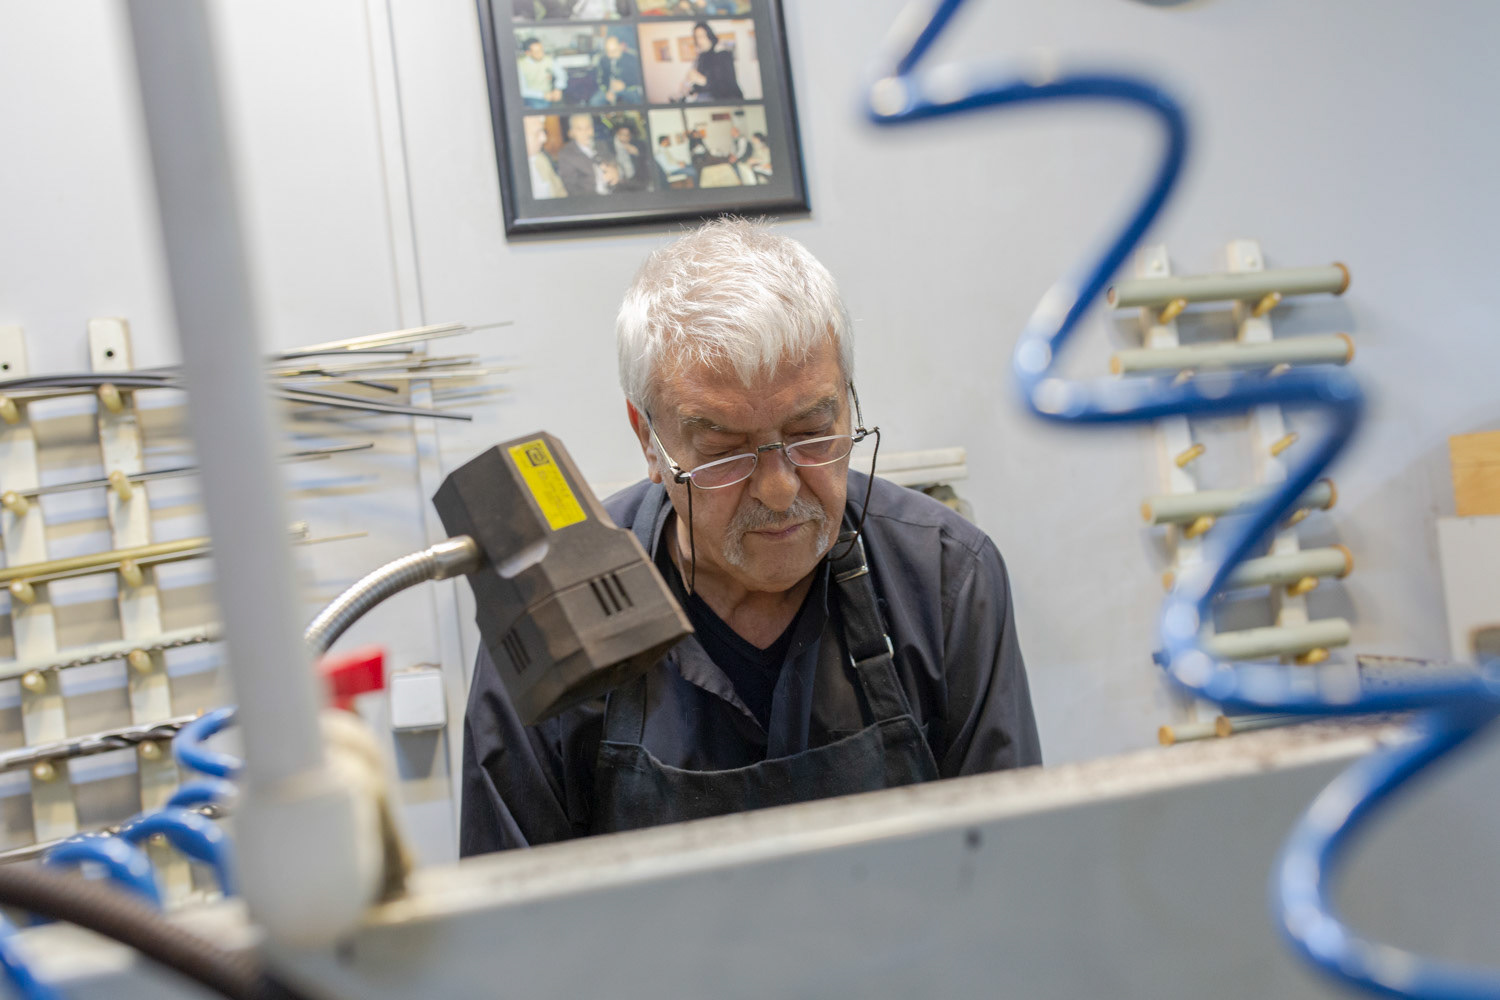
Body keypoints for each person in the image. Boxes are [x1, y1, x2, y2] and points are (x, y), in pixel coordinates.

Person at [461, 219, 1041, 853]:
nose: (779, 488)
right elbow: (511, 929)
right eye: (723, 450)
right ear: (647, 440)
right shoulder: (552, 617)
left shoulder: (944, 579)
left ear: (847, 402)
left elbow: (1012, 874)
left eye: (812, 432)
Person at [676, 21, 742, 102]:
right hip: (709, 100)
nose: (699, 41)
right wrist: (690, 88)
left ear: (709, 35)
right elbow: (699, 85)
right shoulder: (701, 57)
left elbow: (728, 86)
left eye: (702, 36)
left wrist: (704, 81)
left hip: (728, 100)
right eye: (697, 37)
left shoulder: (723, 54)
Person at [556, 113, 619, 196]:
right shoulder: (566, 155)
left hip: (615, 192)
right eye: (579, 129)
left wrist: (615, 170)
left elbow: (614, 161)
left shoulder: (601, 144)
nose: (585, 132)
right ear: (572, 133)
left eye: (588, 127)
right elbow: (572, 189)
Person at [590, 34, 644, 106]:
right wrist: (607, 91)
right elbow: (601, 79)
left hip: (628, 88)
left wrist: (625, 85)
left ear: (621, 46)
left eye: (614, 51)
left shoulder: (632, 59)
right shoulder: (603, 60)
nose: (610, 55)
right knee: (594, 102)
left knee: (639, 102)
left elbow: (638, 79)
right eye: (608, 51)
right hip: (610, 89)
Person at [517, 38, 567, 109]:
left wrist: (558, 88)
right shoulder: (520, 65)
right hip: (532, 97)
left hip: (550, 94)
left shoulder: (548, 59)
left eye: (542, 50)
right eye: (537, 52)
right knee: (539, 106)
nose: (541, 54)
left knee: (564, 105)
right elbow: (522, 90)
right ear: (528, 53)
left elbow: (561, 74)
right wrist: (543, 95)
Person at [524, 116, 567, 199]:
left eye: (543, 132)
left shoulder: (541, 159)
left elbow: (560, 191)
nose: (544, 138)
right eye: (537, 133)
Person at [611, 122, 651, 191]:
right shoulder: (610, 146)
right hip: (618, 182)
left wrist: (637, 153)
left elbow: (646, 160)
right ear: (617, 134)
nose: (625, 137)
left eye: (627, 135)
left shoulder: (637, 144)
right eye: (622, 134)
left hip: (635, 181)